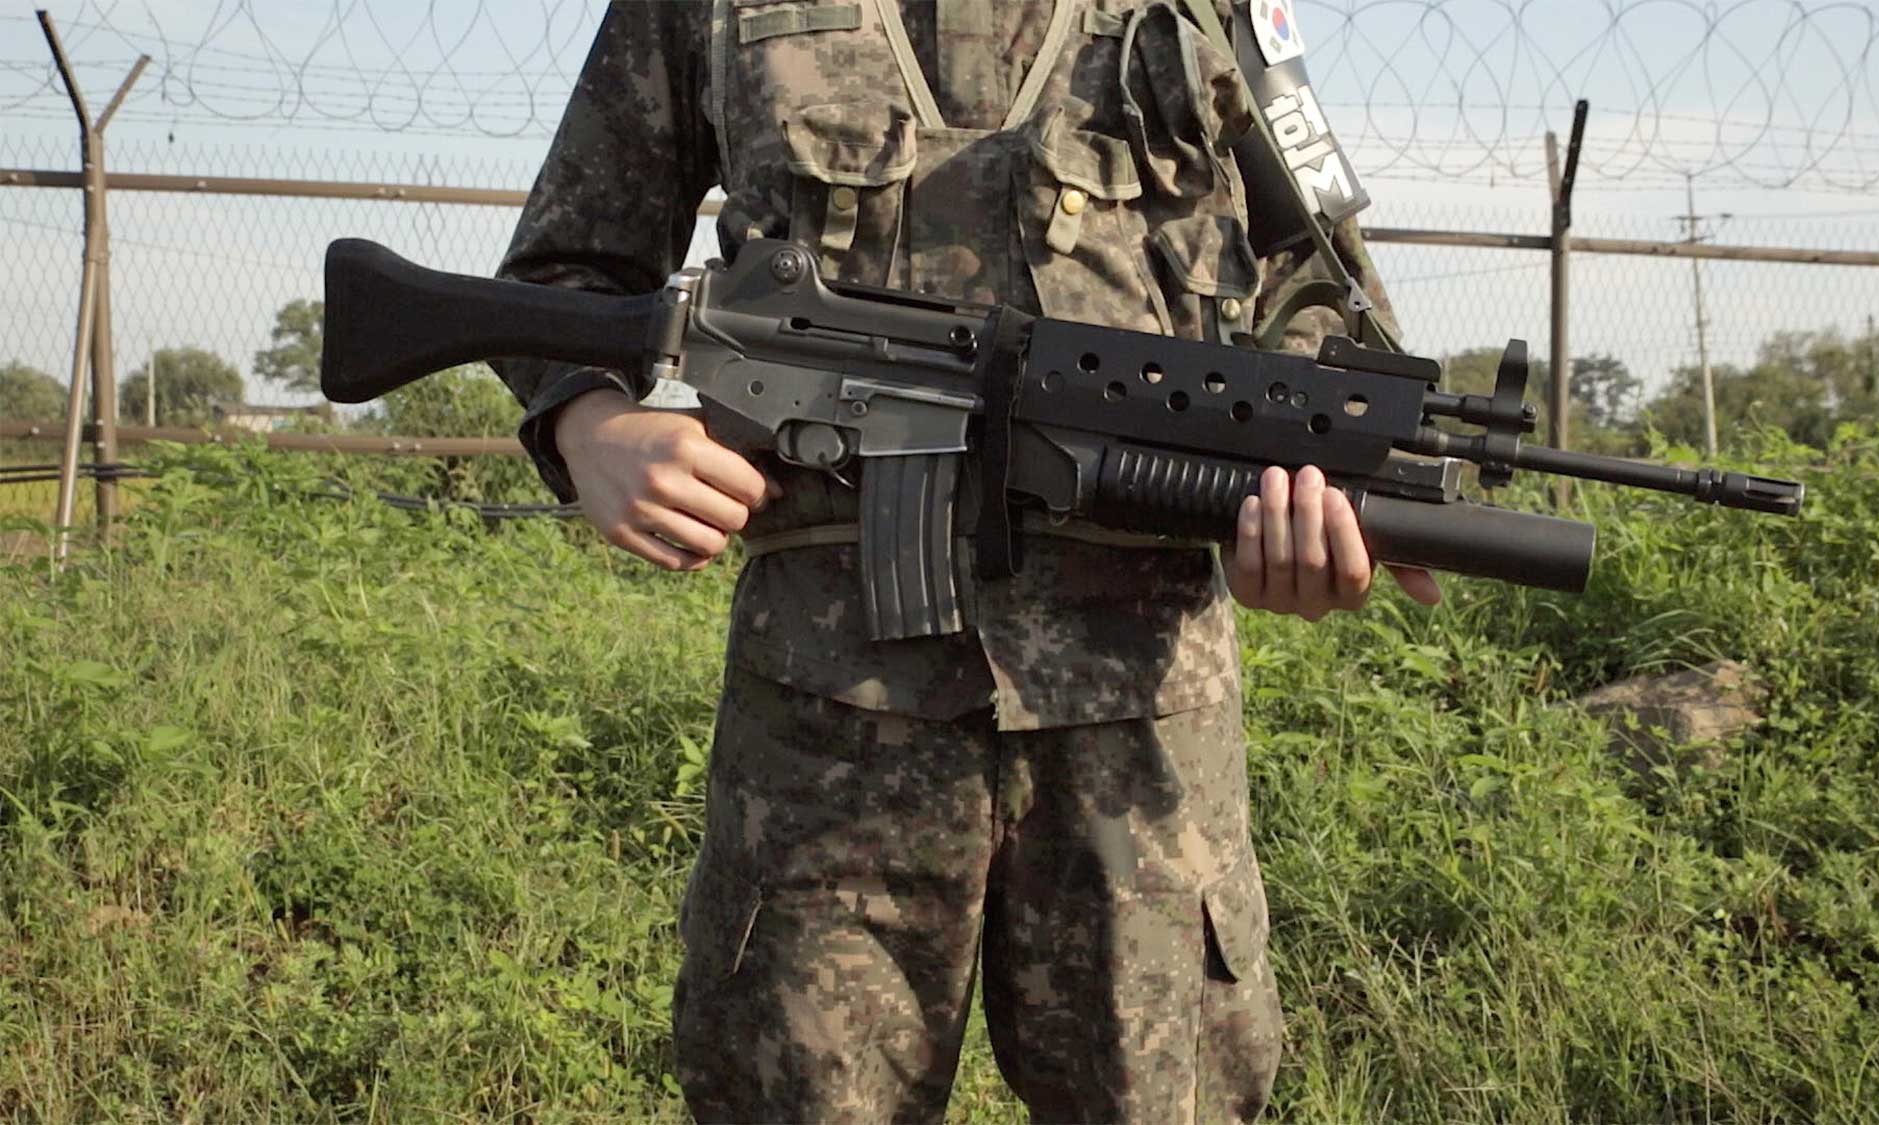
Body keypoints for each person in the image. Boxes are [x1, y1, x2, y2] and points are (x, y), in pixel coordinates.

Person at [494, 2, 1438, 1119]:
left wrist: (1307, 501)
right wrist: (585, 422)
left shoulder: (1205, 11)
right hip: (825, 729)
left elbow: (1317, 290)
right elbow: (562, 268)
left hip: (1141, 733)